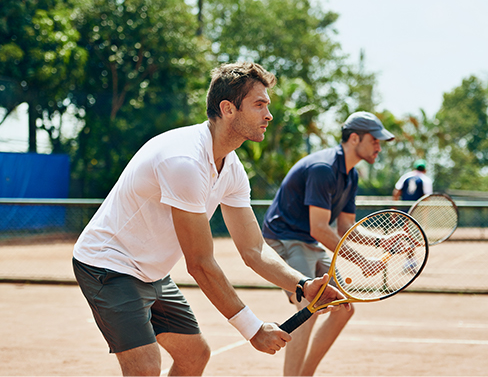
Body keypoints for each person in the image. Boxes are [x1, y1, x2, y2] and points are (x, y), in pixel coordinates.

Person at [72, 62, 347, 376]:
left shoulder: (230, 167)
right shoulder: (185, 162)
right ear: (228, 108)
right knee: (145, 367)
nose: (268, 115)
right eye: (259, 105)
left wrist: (302, 285)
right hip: (108, 265)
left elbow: (253, 250)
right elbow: (200, 264)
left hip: (150, 272)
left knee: (194, 356)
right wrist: (254, 330)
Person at [262, 111, 395, 376]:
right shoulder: (323, 169)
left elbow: (346, 228)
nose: (379, 146)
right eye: (375, 140)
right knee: (309, 307)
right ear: (354, 138)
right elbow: (320, 228)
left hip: (308, 241)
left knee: (344, 308)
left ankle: (305, 373)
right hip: (283, 239)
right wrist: (361, 261)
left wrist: (385, 241)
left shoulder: (350, 175)